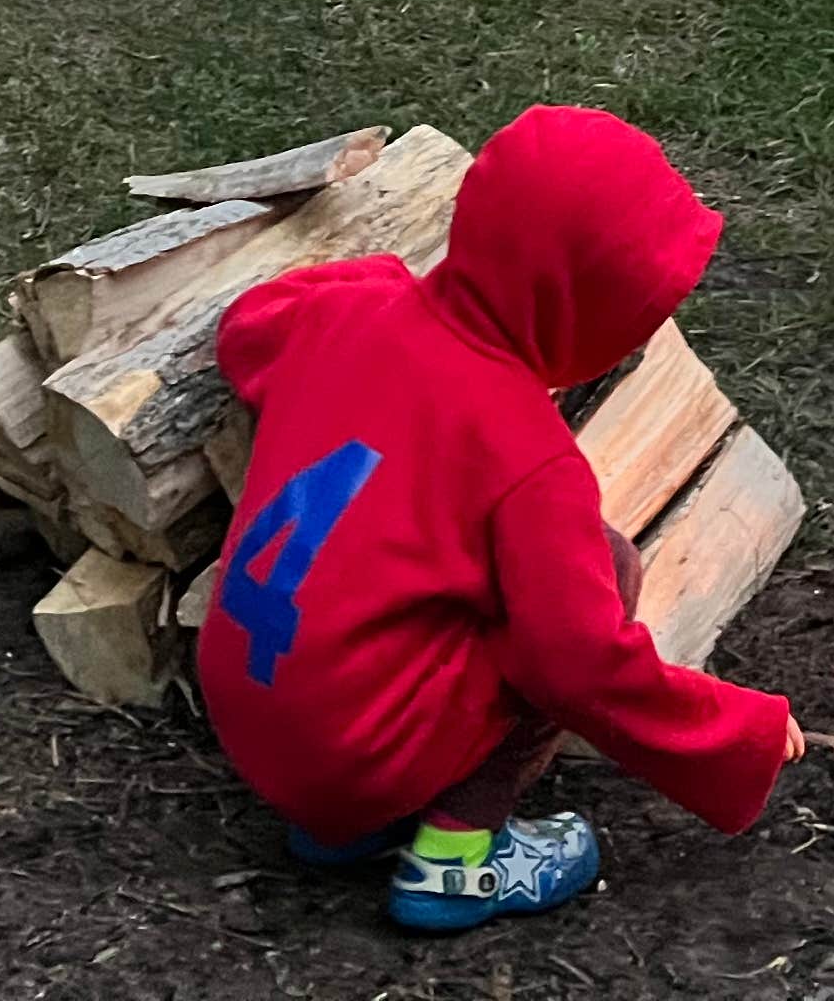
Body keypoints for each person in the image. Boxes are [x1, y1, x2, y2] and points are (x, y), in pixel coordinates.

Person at [195, 105, 799, 933]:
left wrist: (380, 283)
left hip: (249, 712)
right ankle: (457, 861)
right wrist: (739, 732)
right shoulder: (528, 458)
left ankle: (345, 830)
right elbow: (578, 667)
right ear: (577, 306)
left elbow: (247, 330)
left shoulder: (348, 318)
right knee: (602, 571)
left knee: (432, 616)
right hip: (351, 754)